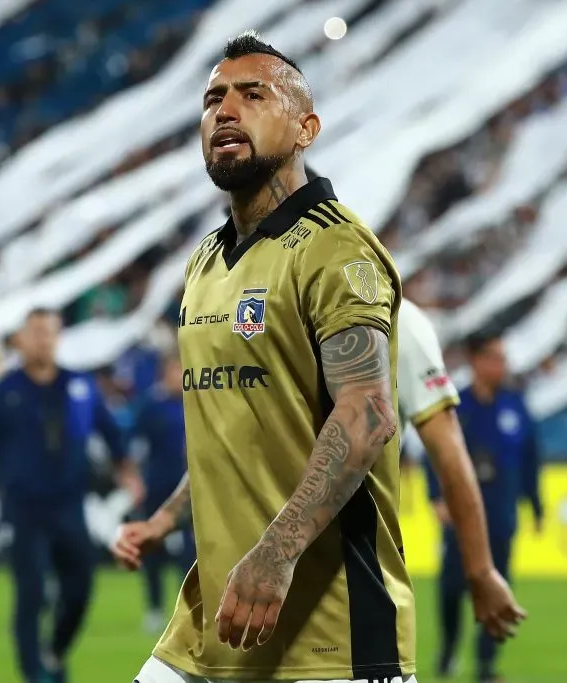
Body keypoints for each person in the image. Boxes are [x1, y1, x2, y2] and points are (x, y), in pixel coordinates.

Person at [116, 30, 416, 683]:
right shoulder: (203, 262)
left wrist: (275, 553)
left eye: (253, 94)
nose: (225, 111)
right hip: (207, 627)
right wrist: (165, 519)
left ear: (306, 127)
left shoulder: (337, 252)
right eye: (213, 98)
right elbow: (233, 428)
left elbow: (366, 415)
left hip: (329, 637)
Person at [0, 308, 144, 683]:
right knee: (33, 592)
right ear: (20, 340)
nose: (44, 339)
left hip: (70, 507)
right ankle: (35, 674)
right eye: (36, 332)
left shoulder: (81, 386)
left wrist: (128, 473)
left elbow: (110, 434)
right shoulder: (3, 391)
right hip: (23, 510)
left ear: (59, 337)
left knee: (80, 591)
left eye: (50, 332)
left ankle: (54, 654)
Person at [425, 329, 543, 683]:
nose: (501, 365)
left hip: (501, 513)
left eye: (503, 359)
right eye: (494, 357)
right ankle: (448, 647)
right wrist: (436, 496)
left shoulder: (516, 405)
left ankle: (487, 666)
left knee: (499, 588)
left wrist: (536, 504)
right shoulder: (456, 405)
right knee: (450, 588)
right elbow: (435, 454)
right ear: (476, 361)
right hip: (461, 514)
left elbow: (531, 458)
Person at [131, 348, 195, 634]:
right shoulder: (151, 405)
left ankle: (189, 607)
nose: (178, 375)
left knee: (192, 552)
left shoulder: (198, 401)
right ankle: (154, 608)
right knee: (152, 551)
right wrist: (136, 481)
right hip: (157, 487)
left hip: (191, 489)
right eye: (174, 369)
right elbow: (136, 447)